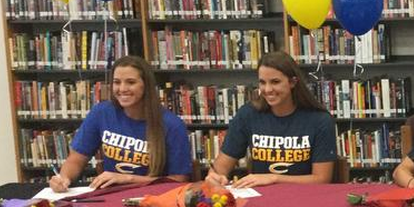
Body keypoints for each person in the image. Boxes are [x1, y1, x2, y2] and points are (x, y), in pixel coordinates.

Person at [49, 56, 191, 192]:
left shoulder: (172, 125)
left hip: (153, 198)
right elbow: (76, 160)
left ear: (146, 85)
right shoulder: (101, 113)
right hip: (111, 196)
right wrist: (64, 178)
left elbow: (179, 180)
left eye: (131, 82)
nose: (122, 89)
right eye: (117, 82)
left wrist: (128, 179)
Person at [205, 51, 336, 188]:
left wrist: (274, 178)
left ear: (292, 82)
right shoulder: (248, 115)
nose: (267, 89)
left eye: (275, 82)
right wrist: (215, 177)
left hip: (304, 196)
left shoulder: (320, 120)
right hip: (260, 196)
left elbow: (322, 179)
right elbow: (220, 168)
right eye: (262, 82)